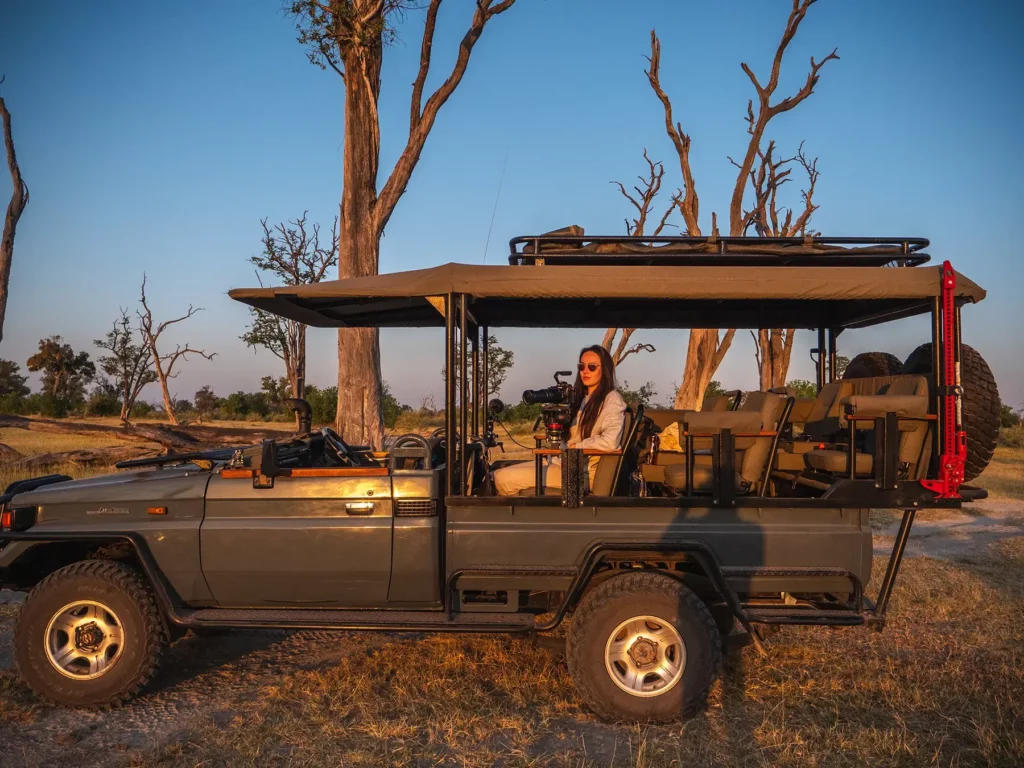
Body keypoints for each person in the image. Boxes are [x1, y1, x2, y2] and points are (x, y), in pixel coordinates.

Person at [493, 345, 627, 496]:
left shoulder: (612, 399)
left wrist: (576, 447)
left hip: (579, 472)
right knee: (495, 472)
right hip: (563, 462)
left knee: (501, 479)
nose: (585, 371)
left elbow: (611, 442)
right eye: (581, 366)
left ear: (605, 370)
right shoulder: (581, 398)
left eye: (592, 367)